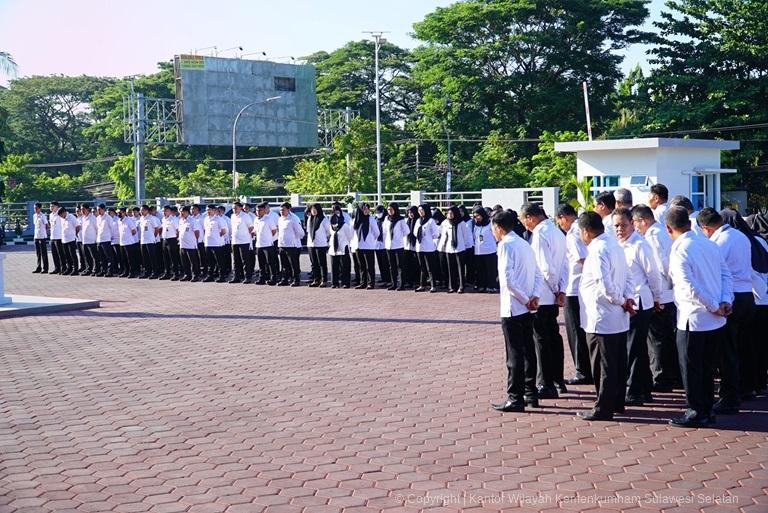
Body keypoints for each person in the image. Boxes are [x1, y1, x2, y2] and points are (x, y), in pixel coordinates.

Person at [666, 206, 732, 427]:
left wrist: (715, 305)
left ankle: (696, 410)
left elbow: (688, 286)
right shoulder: (708, 243)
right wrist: (725, 300)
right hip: (714, 317)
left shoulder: (680, 249)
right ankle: (706, 409)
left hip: (694, 318)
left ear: (669, 228)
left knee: (692, 368)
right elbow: (725, 273)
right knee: (707, 368)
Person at [577, 211, 635, 421]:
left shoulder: (598, 250)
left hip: (602, 315)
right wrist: (627, 298)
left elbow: (605, 286)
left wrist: (621, 300)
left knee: (603, 364)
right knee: (616, 361)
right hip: (616, 314)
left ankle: (604, 406)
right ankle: (616, 401)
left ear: (586, 232)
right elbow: (628, 276)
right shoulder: (614, 245)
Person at [698, 207, 754, 414]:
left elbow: (716, 270)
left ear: (706, 228)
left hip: (732, 296)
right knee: (742, 347)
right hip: (748, 295)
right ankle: (745, 388)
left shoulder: (719, 242)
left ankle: (729, 397)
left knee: (727, 350)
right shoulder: (740, 236)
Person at [490, 210, 544, 413]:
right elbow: (537, 273)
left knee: (514, 354)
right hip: (528, 305)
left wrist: (525, 299)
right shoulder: (524, 243)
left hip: (514, 307)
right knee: (528, 351)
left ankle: (515, 397)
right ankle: (530, 393)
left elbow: (508, 280)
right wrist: (534, 297)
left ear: (498, 227)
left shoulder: (505, 245)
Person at [613, 207, 663, 406]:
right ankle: (644, 388)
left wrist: (657, 297)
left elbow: (653, 274)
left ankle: (634, 390)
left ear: (632, 224)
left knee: (632, 347)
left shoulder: (640, 245)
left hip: (641, 302)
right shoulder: (617, 245)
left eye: (623, 225)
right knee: (638, 347)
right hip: (626, 302)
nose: (619, 229)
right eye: (616, 225)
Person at [520, 202, 568, 398]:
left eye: (524, 221)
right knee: (553, 338)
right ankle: (558, 380)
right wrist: (561, 288)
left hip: (544, 294)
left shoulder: (540, 234)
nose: (524, 225)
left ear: (531, 217)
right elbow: (564, 264)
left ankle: (546, 383)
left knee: (541, 340)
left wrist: (555, 290)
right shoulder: (557, 231)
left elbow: (545, 268)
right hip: (555, 291)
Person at [631, 204, 680, 392]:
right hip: (666, 293)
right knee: (665, 337)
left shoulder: (652, 236)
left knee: (657, 339)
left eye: (635, 223)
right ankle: (670, 375)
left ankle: (661, 377)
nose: (635, 228)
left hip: (662, 294)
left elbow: (660, 267)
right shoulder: (661, 231)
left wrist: (657, 294)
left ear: (643, 221)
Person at [720, 208, 768, 396]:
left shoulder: (734, 241)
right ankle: (758, 381)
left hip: (748, 297)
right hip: (761, 300)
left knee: (743, 345)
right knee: (757, 345)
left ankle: (746, 385)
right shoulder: (759, 240)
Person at [556, 204, 592, 385]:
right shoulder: (583, 228)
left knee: (576, 332)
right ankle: (586, 368)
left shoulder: (573, 233)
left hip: (575, 287)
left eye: (559, 220)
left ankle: (583, 370)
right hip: (581, 287)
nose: (560, 224)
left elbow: (583, 259)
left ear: (563, 217)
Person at [438, 205, 473, 293]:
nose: (449, 215)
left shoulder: (461, 223)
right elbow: (443, 235)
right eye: (448, 213)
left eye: (451, 213)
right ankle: (452, 286)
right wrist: (442, 246)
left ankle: (461, 286)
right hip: (449, 248)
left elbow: (465, 236)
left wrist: (465, 245)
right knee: (450, 268)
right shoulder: (445, 223)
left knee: (460, 268)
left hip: (460, 248)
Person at [351, 203, 380, 289]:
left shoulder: (371, 219)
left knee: (370, 266)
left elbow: (377, 233)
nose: (366, 210)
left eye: (367, 208)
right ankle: (363, 282)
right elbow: (351, 233)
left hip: (369, 246)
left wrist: (370, 239)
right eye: (364, 209)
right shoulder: (355, 220)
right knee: (361, 266)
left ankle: (371, 283)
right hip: (358, 246)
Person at [381, 202, 409, 290]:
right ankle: (394, 284)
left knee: (400, 266)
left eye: (391, 209)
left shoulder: (401, 219)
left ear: (395, 209)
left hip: (398, 245)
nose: (390, 211)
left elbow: (406, 231)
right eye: (388, 210)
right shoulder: (386, 218)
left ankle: (402, 284)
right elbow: (384, 231)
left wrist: (398, 237)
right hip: (389, 245)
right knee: (391, 266)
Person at [413, 204, 440, 293]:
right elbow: (414, 232)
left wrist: (427, 237)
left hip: (428, 247)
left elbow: (436, 233)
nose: (420, 212)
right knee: (422, 267)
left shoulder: (431, 221)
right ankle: (422, 285)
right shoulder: (418, 221)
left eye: (422, 210)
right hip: (419, 247)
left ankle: (433, 286)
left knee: (430, 267)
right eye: (419, 210)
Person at [277, 202, 304, 287]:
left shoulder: (294, 219)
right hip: (282, 245)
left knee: (294, 265)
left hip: (292, 246)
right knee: (284, 264)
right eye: (280, 210)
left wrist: (294, 239)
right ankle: (285, 279)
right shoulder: (280, 219)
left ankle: (296, 280)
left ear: (289, 209)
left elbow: (300, 233)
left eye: (283, 210)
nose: (281, 212)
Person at [472, 206, 497, 293]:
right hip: (479, 251)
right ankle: (482, 285)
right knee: (480, 270)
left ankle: (491, 286)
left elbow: (495, 236)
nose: (477, 218)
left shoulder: (490, 224)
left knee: (490, 270)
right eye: (475, 216)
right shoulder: (476, 226)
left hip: (490, 250)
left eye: (478, 215)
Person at [328, 203, 354, 288]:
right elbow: (330, 234)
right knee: (334, 266)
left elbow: (350, 236)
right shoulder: (331, 226)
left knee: (345, 267)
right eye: (334, 212)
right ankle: (334, 283)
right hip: (333, 248)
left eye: (337, 212)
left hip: (343, 247)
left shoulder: (345, 225)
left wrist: (344, 242)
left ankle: (345, 282)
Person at [253, 203, 279, 285]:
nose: (258, 212)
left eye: (260, 210)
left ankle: (273, 278)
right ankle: (262, 278)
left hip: (268, 244)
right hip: (258, 244)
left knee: (270, 263)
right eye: (257, 210)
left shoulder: (268, 219)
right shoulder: (256, 219)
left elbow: (274, 230)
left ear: (264, 210)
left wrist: (268, 237)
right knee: (261, 264)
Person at [306, 203, 331, 287]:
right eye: (312, 209)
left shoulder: (324, 219)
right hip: (311, 244)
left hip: (320, 244)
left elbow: (328, 231)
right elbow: (308, 231)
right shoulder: (310, 219)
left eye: (315, 209)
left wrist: (323, 238)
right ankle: (316, 279)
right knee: (314, 263)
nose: (313, 211)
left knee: (322, 263)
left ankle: (324, 280)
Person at [230, 202, 254, 284]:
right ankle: (236, 276)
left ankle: (248, 277)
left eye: (236, 208)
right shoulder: (233, 216)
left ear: (240, 208)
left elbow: (251, 228)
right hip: (235, 241)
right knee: (236, 260)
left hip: (244, 241)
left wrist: (249, 239)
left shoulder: (245, 216)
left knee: (245, 260)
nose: (234, 209)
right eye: (233, 208)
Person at [203, 205, 228, 283]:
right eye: (207, 210)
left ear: (214, 210)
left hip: (217, 244)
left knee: (219, 261)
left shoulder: (219, 219)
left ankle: (222, 276)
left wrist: (217, 237)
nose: (208, 211)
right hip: (208, 243)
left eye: (209, 210)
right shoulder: (206, 219)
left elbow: (224, 231)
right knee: (210, 261)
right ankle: (210, 276)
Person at [178, 205, 202, 282]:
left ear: (187, 212)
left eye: (183, 212)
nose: (181, 213)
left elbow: (197, 232)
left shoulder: (192, 221)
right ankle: (187, 275)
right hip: (182, 244)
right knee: (184, 261)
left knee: (193, 262)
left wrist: (195, 241)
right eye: (181, 211)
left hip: (191, 245)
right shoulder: (181, 220)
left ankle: (195, 275)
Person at [138, 205, 162, 279]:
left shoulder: (151, 218)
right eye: (141, 210)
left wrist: (153, 237)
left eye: (143, 210)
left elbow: (157, 229)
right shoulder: (141, 218)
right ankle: (147, 272)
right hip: (143, 241)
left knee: (152, 258)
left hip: (150, 241)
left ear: (147, 211)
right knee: (145, 258)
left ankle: (155, 272)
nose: (141, 212)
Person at [117, 207, 140, 278]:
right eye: (118, 213)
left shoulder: (128, 220)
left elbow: (134, 230)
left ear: (124, 213)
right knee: (124, 259)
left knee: (130, 259)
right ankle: (126, 271)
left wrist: (128, 236)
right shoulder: (119, 221)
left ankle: (132, 272)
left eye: (120, 212)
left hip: (129, 243)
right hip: (122, 242)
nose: (119, 214)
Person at [160, 205, 182, 281]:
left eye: (166, 211)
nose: (164, 212)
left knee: (173, 258)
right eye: (163, 211)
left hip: (172, 240)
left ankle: (176, 274)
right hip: (165, 239)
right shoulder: (163, 219)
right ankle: (167, 273)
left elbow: (178, 230)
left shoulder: (174, 219)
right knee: (165, 258)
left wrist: (177, 239)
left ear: (170, 211)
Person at [95, 204, 117, 277]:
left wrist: (111, 237)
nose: (98, 211)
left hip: (106, 239)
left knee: (109, 257)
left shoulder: (108, 218)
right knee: (101, 257)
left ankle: (110, 271)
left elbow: (112, 228)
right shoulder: (98, 218)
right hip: (99, 239)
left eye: (99, 209)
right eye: (97, 210)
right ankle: (103, 270)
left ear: (103, 209)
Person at [403, 206, 421, 289]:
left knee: (416, 265)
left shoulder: (418, 221)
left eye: (412, 212)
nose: (410, 214)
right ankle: (408, 281)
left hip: (416, 246)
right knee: (407, 264)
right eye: (409, 213)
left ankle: (417, 281)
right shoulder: (406, 221)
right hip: (407, 246)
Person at [374, 205, 392, 285]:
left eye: (380, 212)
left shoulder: (386, 219)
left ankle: (388, 279)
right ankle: (383, 277)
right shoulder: (375, 219)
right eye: (377, 212)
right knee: (380, 262)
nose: (378, 214)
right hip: (377, 244)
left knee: (386, 263)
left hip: (385, 244)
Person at [79, 204, 99, 276]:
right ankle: (88, 269)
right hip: (84, 240)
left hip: (92, 240)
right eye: (81, 209)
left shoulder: (93, 218)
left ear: (88, 209)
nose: (82, 211)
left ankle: (95, 270)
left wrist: (96, 239)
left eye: (83, 209)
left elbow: (97, 229)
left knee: (94, 256)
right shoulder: (83, 218)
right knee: (86, 256)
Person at [59, 207, 79, 275]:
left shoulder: (71, 217)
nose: (61, 217)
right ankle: (69, 268)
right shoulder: (62, 219)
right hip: (64, 240)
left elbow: (78, 226)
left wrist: (75, 234)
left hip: (71, 239)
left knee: (73, 255)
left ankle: (75, 269)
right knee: (67, 255)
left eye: (61, 215)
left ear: (64, 212)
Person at [32, 203, 49, 274]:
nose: (35, 209)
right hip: (36, 236)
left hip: (42, 236)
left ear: (40, 208)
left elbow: (47, 225)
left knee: (44, 253)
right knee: (38, 253)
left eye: (36, 208)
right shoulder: (34, 216)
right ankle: (38, 267)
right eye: (34, 208)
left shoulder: (43, 216)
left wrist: (43, 232)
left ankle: (45, 268)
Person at [49, 201, 63, 274]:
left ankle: (62, 268)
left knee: (60, 254)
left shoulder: (60, 214)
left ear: (57, 207)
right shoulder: (51, 215)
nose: (51, 207)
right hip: (53, 237)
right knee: (54, 254)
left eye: (52, 206)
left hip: (59, 237)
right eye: (50, 206)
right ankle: (56, 268)